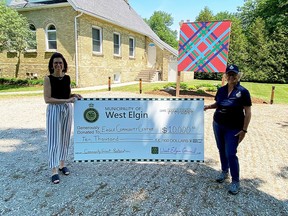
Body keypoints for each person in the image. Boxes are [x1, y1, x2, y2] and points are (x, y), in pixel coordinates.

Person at [204, 64, 252, 195]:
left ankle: (235, 181)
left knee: (230, 152)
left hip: (234, 127)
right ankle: (224, 171)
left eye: (234, 74)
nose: (231, 77)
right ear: (225, 76)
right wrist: (208, 107)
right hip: (218, 124)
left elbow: (248, 112)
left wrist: (244, 130)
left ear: (238, 76)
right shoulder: (221, 90)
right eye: (229, 74)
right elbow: (218, 104)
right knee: (221, 149)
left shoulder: (243, 92)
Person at [44, 52, 82, 184]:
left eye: (60, 62)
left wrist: (74, 95)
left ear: (64, 64)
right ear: (52, 65)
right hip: (55, 109)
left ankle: (62, 164)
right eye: (55, 63)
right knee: (54, 139)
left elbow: (66, 94)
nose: (58, 65)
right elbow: (47, 99)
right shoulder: (48, 78)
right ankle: (53, 169)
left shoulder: (67, 78)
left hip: (67, 109)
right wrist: (67, 100)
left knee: (65, 137)